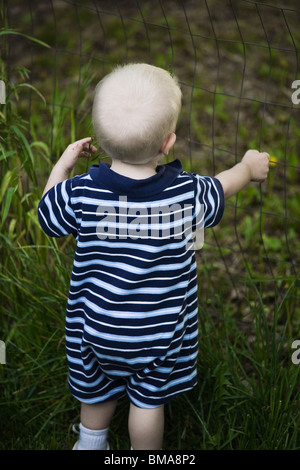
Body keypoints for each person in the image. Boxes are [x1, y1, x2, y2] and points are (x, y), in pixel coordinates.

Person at [38, 63, 270, 450]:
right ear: (168, 143)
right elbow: (224, 185)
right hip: (158, 336)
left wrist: (62, 165)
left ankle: (90, 444)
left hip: (96, 330)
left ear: (100, 138)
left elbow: (48, 213)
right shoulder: (187, 195)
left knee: (96, 391)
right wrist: (249, 166)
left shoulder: (80, 194)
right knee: (147, 403)